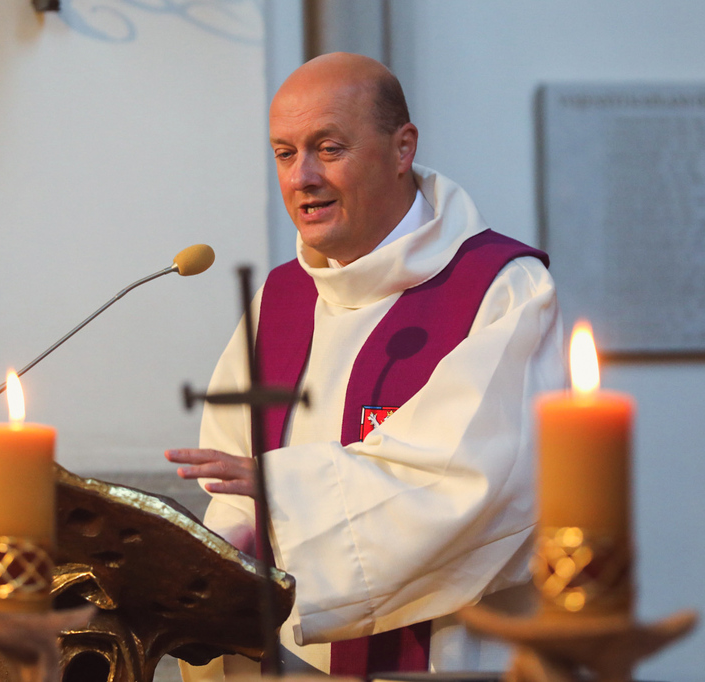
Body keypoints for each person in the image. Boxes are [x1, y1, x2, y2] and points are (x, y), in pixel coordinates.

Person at [166, 52, 565, 678]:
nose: (302, 178)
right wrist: (233, 543)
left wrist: (283, 494)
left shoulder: (501, 289)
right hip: (284, 655)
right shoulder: (281, 298)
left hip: (449, 653)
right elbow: (233, 469)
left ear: (402, 148)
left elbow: (479, 485)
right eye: (284, 153)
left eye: (328, 148)